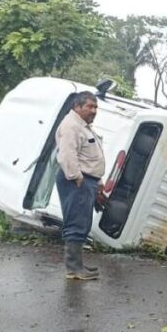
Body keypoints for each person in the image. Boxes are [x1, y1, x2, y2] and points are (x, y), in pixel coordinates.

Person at [55, 91, 105, 281]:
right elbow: (67, 154)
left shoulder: (83, 126)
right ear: (77, 107)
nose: (94, 111)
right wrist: (77, 177)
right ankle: (74, 268)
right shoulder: (71, 126)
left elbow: (90, 157)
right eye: (89, 106)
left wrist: (98, 183)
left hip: (86, 180)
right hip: (76, 180)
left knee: (83, 222)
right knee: (76, 222)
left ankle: (78, 265)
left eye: (95, 107)